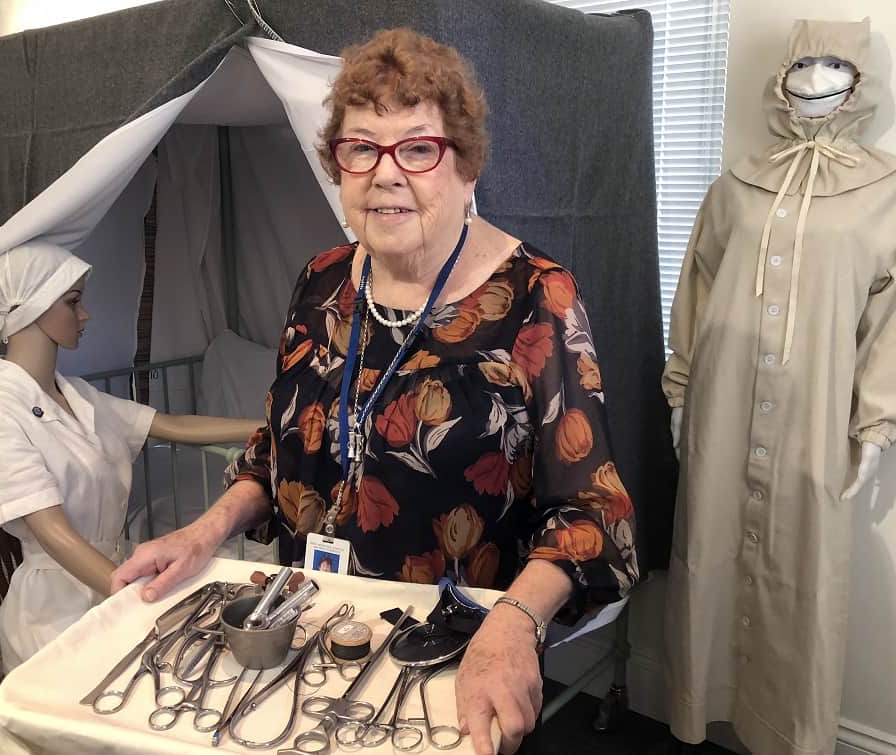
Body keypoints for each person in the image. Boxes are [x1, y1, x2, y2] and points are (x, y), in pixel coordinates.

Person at [112, 28, 639, 754]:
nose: (385, 174)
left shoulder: (535, 296)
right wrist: (201, 534)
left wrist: (514, 625)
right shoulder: (321, 281)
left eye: (417, 149)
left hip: (454, 660)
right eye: (361, 148)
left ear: (465, 166)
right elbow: (275, 449)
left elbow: (593, 513)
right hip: (307, 637)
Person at [662, 19, 896, 755]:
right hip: (722, 407)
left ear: (861, 81)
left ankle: (788, 732)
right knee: (709, 556)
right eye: (804, 63)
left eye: (836, 65)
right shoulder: (735, 185)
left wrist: (875, 423)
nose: (817, 78)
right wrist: (681, 391)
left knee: (804, 577)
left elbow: (889, 322)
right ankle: (703, 708)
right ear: (782, 78)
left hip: (813, 418)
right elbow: (696, 293)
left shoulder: (886, 193)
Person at [0, 241, 262, 671]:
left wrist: (274, 425)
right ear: (29, 308)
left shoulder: (76, 394)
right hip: (56, 613)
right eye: (73, 301)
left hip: (111, 575)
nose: (85, 315)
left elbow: (171, 424)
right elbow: (54, 535)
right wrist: (139, 598)